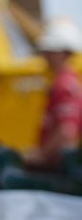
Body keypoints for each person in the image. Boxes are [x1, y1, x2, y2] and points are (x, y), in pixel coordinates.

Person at [24, 16, 82, 172]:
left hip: (59, 169)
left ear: (66, 54)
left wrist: (41, 155)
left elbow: (66, 130)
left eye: (52, 52)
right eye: (46, 52)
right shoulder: (61, 82)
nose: (46, 57)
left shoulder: (65, 85)